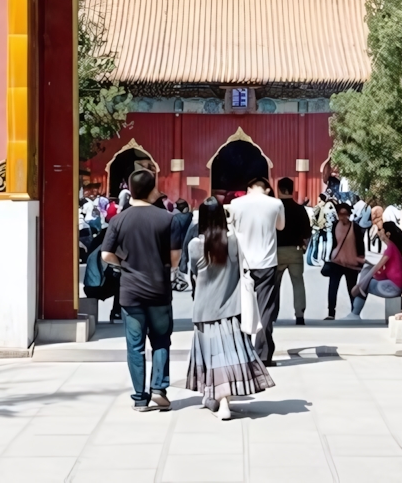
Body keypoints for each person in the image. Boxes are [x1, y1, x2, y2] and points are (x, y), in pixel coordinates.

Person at [185, 197, 275, 419]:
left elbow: (194, 275)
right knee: (228, 355)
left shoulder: (195, 246)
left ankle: (221, 402)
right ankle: (220, 398)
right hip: (232, 310)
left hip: (205, 311)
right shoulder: (234, 241)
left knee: (213, 357)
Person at [100, 170, 179, 412]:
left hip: (131, 292)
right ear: (152, 190)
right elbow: (175, 259)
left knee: (135, 346)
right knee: (161, 341)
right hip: (159, 290)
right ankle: (159, 388)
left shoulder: (118, 220)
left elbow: (105, 254)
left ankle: (139, 398)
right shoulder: (167, 219)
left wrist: (123, 265)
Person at [229, 175, 285, 366]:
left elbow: (231, 228)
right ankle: (263, 354)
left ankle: (240, 351)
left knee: (241, 307)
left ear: (249, 187)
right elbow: (281, 226)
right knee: (265, 308)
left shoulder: (236, 203)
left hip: (242, 261)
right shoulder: (276, 203)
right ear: (267, 189)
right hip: (267, 261)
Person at [274, 178, 312, 326]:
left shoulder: (275, 209)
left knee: (275, 284)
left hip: (277, 251)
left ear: (279, 189)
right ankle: (300, 314)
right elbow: (307, 232)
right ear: (292, 189)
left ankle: (273, 313)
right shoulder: (299, 209)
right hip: (295, 250)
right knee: (297, 283)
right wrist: (303, 248)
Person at [349, 221, 402, 318]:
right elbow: (382, 271)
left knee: (367, 283)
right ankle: (355, 313)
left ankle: (354, 314)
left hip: (392, 288)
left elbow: (377, 267)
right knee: (367, 272)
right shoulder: (392, 248)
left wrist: (360, 285)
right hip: (393, 285)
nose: (378, 233)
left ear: (387, 234)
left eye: (380, 230)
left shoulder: (390, 248)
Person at [324, 201, 364, 319]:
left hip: (352, 264)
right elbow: (335, 243)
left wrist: (361, 261)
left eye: (345, 214)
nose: (342, 216)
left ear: (349, 214)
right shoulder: (335, 225)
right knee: (332, 288)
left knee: (352, 289)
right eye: (340, 214)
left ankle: (354, 313)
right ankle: (331, 313)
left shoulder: (356, 228)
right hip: (337, 262)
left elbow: (360, 245)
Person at [170, 199, 193, 292]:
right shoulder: (193, 217)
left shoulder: (175, 218)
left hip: (180, 247)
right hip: (192, 246)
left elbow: (174, 240)